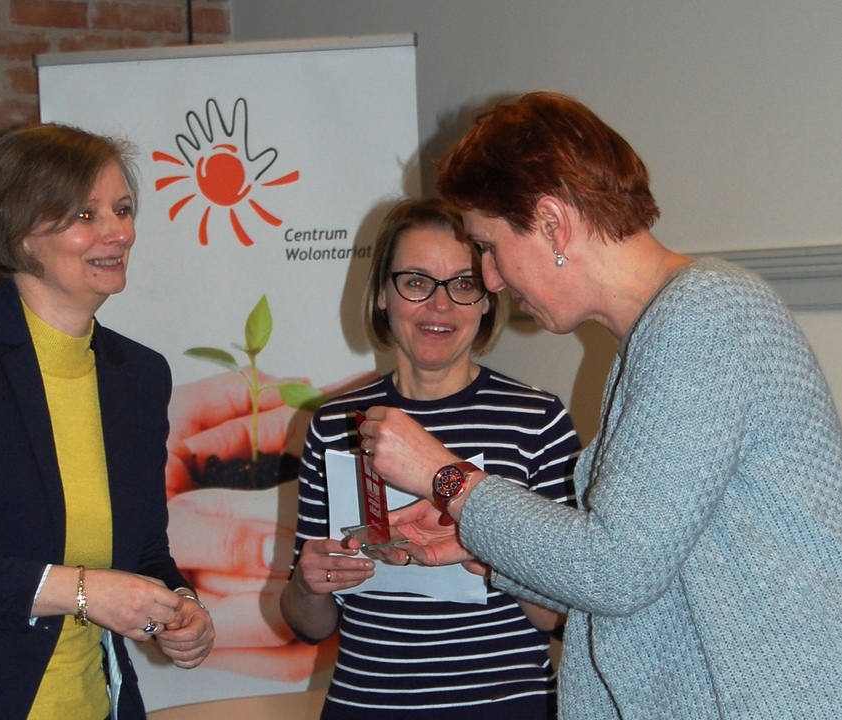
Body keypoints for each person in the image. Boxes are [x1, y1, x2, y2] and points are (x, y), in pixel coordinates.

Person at [357, 92, 842, 719]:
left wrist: (446, 477)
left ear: (552, 223)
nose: (491, 278)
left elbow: (616, 570)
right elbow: (644, 580)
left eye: (489, 246)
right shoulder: (660, 335)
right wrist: (482, 545)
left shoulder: (705, 318)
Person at [0, 123, 215, 720]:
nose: (119, 232)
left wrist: (180, 605)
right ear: (21, 235)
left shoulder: (139, 376)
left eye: (122, 209)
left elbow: (143, 550)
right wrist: (83, 591)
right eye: (86, 215)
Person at [279, 198, 582, 720]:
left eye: (463, 285)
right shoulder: (334, 424)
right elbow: (310, 624)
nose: (440, 305)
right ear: (382, 294)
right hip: (366, 706)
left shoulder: (536, 421)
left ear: (487, 299)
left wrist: (492, 550)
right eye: (417, 282)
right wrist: (308, 583)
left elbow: (564, 617)